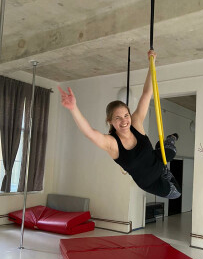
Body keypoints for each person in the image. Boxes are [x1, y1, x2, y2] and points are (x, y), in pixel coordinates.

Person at [58, 50, 181, 199]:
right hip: (150, 182)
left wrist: (152, 64)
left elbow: (147, 93)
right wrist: (73, 108)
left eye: (126, 115)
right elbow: (89, 132)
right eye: (118, 118)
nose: (124, 121)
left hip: (158, 163)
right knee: (176, 194)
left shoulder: (135, 124)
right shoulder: (112, 143)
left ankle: (171, 137)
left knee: (171, 151)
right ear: (110, 121)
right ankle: (160, 152)